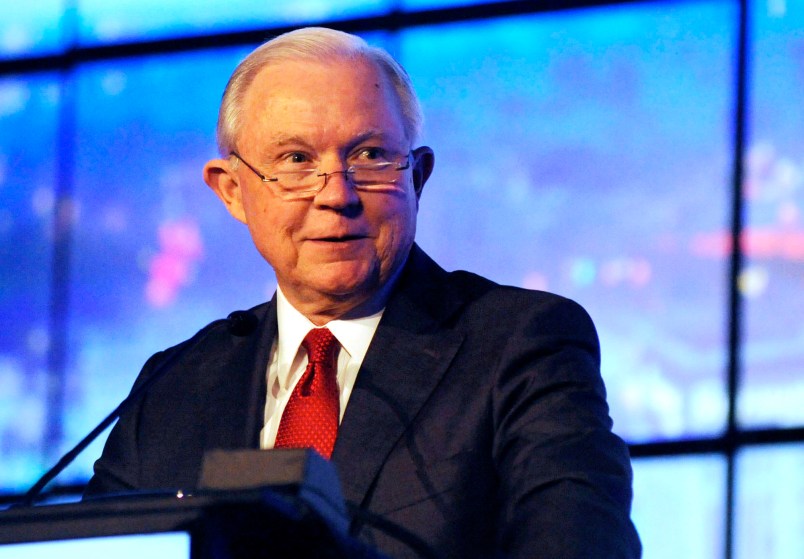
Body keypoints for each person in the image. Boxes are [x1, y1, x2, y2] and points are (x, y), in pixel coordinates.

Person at [84, 27, 641, 558]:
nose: (338, 195)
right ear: (232, 191)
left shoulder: (520, 348)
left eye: (369, 156)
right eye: (296, 160)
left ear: (416, 177)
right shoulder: (172, 388)